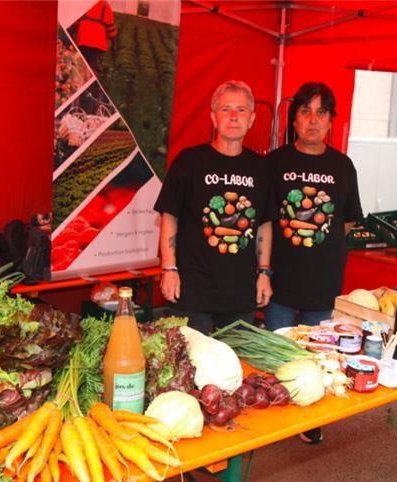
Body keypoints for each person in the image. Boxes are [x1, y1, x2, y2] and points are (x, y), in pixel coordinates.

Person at [266, 82, 363, 443]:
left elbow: (348, 219)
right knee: (277, 351)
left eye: (321, 112)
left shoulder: (342, 166)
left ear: (331, 121)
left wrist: (318, 239)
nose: (313, 120)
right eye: (305, 111)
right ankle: (276, 415)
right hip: (279, 279)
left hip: (322, 280)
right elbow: (262, 220)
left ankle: (308, 420)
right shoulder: (274, 163)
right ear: (294, 120)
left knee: (318, 354)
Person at [154, 81, 273, 334]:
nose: (233, 117)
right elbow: (169, 216)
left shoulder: (261, 168)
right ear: (213, 117)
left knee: (236, 367)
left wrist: (264, 273)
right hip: (191, 290)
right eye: (225, 109)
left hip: (240, 293)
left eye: (241, 110)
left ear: (251, 119)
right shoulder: (189, 161)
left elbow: (264, 223)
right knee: (190, 364)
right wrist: (169, 269)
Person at [74, 0, 116, 75]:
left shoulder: (84, 4)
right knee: (93, 70)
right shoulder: (105, 6)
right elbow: (111, 32)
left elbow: (76, 22)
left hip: (82, 41)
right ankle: (92, 85)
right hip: (97, 46)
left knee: (80, 68)